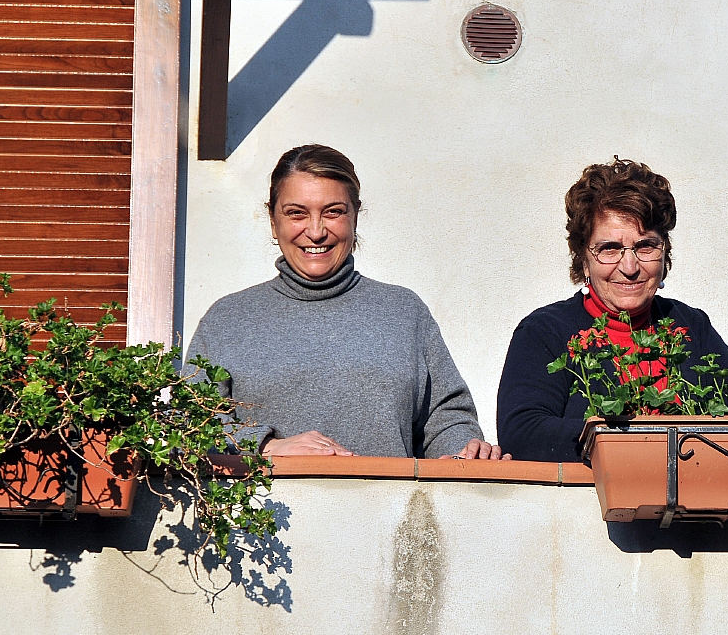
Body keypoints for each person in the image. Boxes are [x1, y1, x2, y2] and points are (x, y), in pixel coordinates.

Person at [187, 144, 508, 460]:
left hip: (389, 512)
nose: (315, 231)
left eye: (333, 212)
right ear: (273, 221)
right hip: (267, 512)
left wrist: (465, 451)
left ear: (355, 216)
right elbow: (188, 424)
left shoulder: (403, 312)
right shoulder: (228, 320)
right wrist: (266, 446)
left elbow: (445, 417)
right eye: (296, 213)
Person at [496, 157, 728, 462]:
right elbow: (523, 432)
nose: (630, 267)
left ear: (665, 254)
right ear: (584, 259)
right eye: (610, 248)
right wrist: (640, 446)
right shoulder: (545, 330)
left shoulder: (688, 324)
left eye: (645, 246)